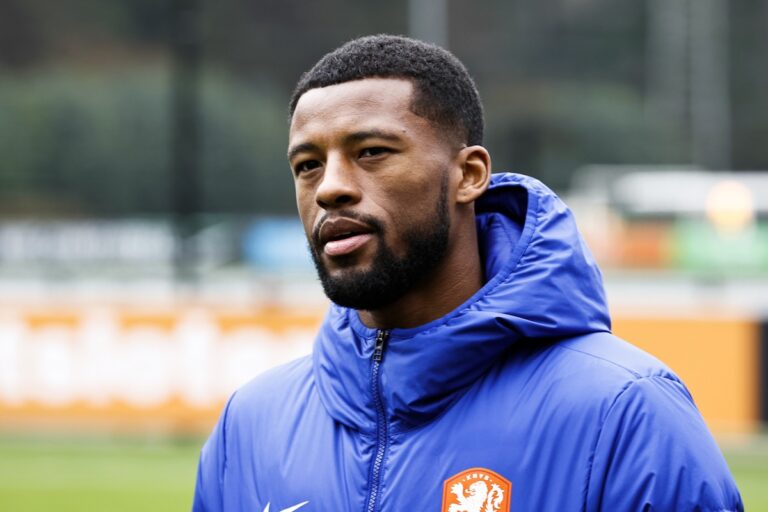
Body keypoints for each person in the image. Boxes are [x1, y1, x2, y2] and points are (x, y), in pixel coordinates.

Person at [193, 34, 743, 512]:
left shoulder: (626, 411)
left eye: (372, 152)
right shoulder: (250, 426)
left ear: (469, 175)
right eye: (308, 165)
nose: (330, 187)